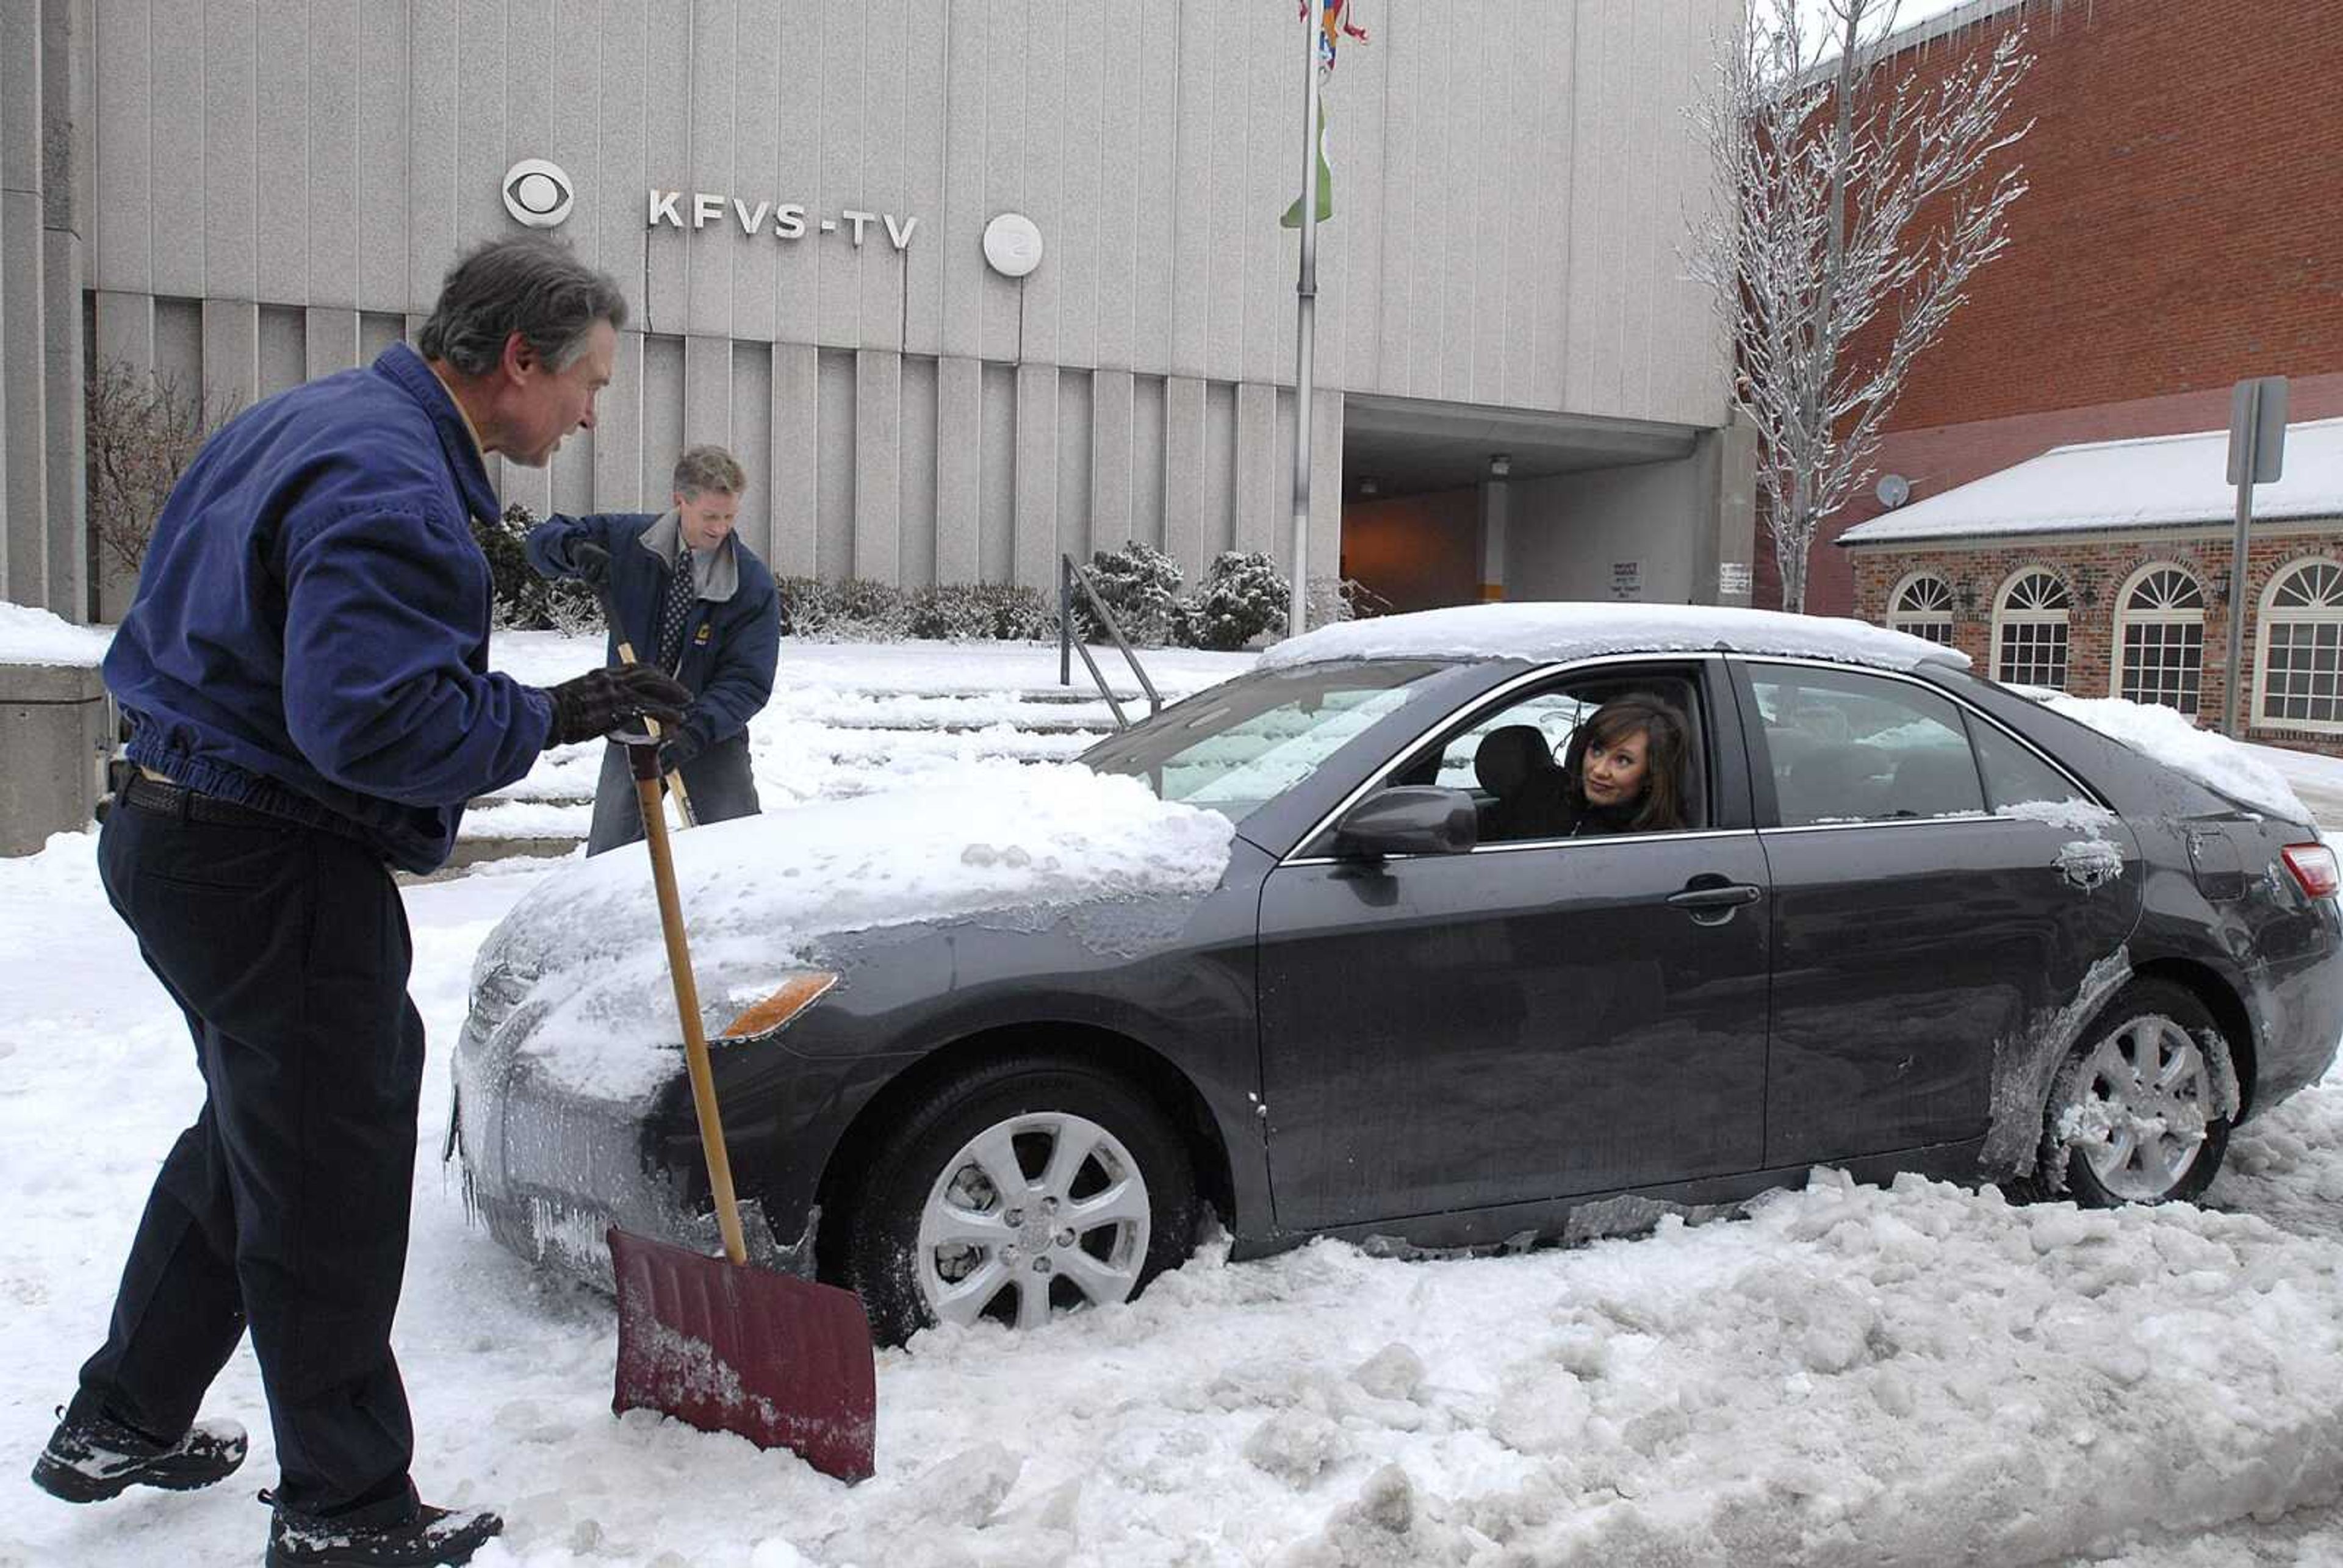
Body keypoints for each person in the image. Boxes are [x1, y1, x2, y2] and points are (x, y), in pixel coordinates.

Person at [33, 237, 691, 1568]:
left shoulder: (319, 419)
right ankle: (345, 1506)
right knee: (325, 1173)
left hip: (174, 834)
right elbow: (369, 723)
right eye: (589, 383)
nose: (590, 413)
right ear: (519, 361)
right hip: (269, 857)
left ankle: (125, 1415)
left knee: (259, 1128)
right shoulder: (390, 481)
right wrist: (550, 714)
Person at [525, 445, 781, 855]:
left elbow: (748, 681)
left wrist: (694, 732)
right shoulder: (629, 542)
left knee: (734, 856)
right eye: (710, 517)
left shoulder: (750, 584)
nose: (720, 530)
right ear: (680, 502)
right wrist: (571, 550)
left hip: (710, 735)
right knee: (609, 859)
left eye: (730, 517)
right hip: (632, 725)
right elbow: (541, 540)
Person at [1554, 694, 1693, 836]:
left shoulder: (1648, 845)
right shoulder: (1571, 810)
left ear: (1651, 775)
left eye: (1623, 760)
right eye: (1597, 751)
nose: (1599, 770)